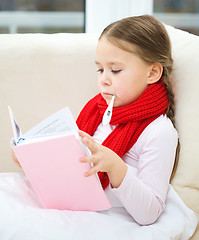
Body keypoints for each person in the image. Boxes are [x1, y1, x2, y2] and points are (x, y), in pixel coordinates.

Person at [12, 15, 178, 226]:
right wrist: (30, 157)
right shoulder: (97, 111)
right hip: (72, 206)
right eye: (100, 69)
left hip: (112, 221)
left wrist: (116, 168)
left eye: (115, 70)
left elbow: (149, 212)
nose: (104, 79)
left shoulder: (160, 131)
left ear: (152, 72)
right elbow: (69, 167)